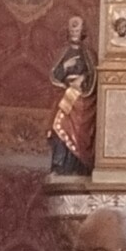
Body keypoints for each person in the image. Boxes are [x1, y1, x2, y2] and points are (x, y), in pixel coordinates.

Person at [47, 14, 98, 175]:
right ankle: (60, 164)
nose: (75, 33)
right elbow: (54, 75)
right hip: (66, 94)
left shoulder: (89, 53)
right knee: (58, 125)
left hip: (82, 97)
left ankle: (78, 165)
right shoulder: (63, 52)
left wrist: (82, 79)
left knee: (80, 131)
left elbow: (94, 74)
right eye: (72, 31)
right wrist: (65, 67)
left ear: (83, 32)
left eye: (77, 30)